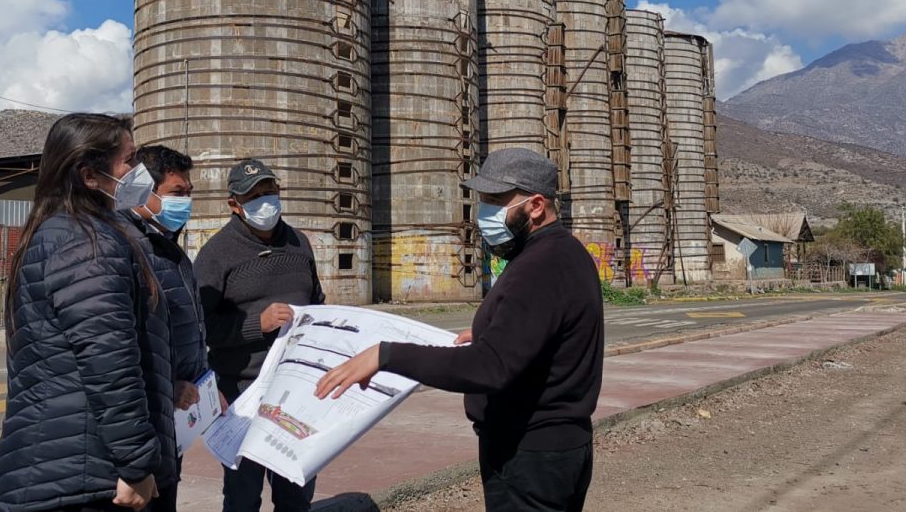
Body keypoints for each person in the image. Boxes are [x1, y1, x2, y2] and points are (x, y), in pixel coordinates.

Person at [315, 148, 604, 512]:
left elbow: (489, 368)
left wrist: (386, 355)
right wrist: (493, 331)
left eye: (496, 201)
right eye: (483, 199)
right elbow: (544, 334)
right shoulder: (566, 253)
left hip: (530, 455)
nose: (485, 212)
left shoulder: (539, 266)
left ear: (535, 206)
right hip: (558, 449)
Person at [0, 114, 177, 512]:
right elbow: (110, 363)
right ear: (90, 176)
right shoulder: (85, 244)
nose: (137, 172)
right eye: (128, 160)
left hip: (71, 466)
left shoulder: (69, 232)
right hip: (90, 479)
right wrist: (137, 464)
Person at [193, 158, 325, 512]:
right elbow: (199, 325)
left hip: (296, 392)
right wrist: (257, 323)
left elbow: (318, 302)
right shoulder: (216, 255)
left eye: (270, 191)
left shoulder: (299, 243)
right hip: (242, 395)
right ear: (234, 205)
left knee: (296, 492)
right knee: (242, 497)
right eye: (253, 195)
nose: (265, 201)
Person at [122, 144, 210, 511]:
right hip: (145, 418)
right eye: (177, 193)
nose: (185, 203)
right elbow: (121, 343)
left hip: (174, 416)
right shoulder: (129, 249)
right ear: (144, 192)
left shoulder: (169, 249)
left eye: (189, 193)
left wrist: (204, 379)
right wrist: (164, 387)